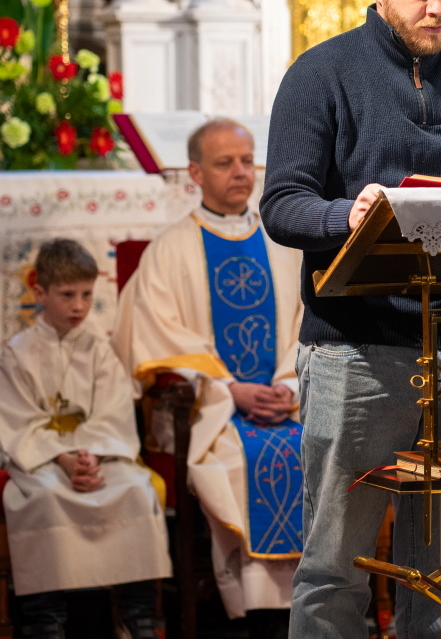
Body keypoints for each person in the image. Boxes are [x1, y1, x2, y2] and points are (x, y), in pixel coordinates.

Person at [260, 0, 441, 639]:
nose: (436, 8)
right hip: (354, 349)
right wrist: (347, 214)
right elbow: (281, 204)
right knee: (334, 567)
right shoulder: (321, 73)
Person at [112, 118, 303, 636]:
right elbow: (153, 338)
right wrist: (229, 390)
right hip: (211, 411)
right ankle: (252, 616)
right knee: (238, 459)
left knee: (318, 448)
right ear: (195, 172)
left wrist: (289, 385)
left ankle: (312, 606)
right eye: (224, 163)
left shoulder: (283, 243)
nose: (241, 172)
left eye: (246, 160)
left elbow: (307, 326)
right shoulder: (170, 249)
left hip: (287, 403)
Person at [0, 238, 171, 639]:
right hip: (41, 460)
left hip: (97, 456)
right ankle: (46, 620)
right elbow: (15, 421)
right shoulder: (16, 353)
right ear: (40, 293)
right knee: (42, 497)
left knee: (135, 488)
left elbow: (114, 414)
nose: (79, 306)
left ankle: (138, 615)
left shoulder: (100, 350)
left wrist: (88, 457)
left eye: (87, 295)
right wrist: (63, 458)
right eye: (67, 295)